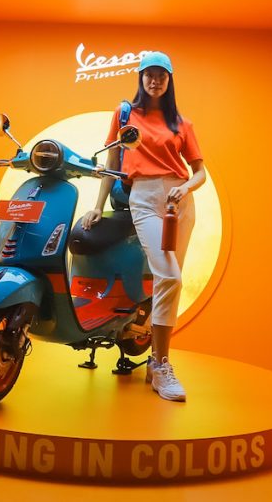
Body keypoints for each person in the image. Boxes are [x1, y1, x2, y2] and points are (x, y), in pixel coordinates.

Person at [81, 51, 206, 402]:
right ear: (140, 77)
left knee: (167, 283)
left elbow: (200, 172)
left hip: (180, 202)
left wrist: (185, 188)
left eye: (161, 75)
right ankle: (162, 366)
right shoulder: (126, 115)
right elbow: (111, 161)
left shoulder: (181, 123)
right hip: (145, 198)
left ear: (169, 80)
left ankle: (155, 360)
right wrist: (97, 205)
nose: (155, 80)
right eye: (149, 74)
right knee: (170, 277)